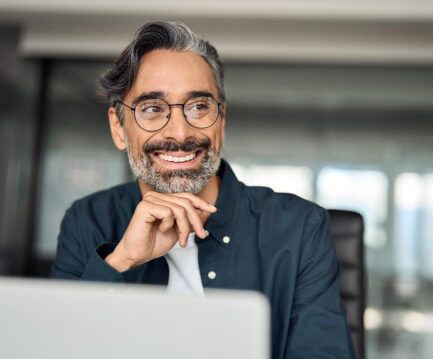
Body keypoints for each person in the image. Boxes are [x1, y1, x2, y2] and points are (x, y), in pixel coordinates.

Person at [52, 21, 355, 358]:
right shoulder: (86, 221)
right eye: (152, 109)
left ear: (221, 122)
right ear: (118, 127)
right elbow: (57, 347)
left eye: (199, 107)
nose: (180, 134)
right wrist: (121, 261)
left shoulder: (300, 227)